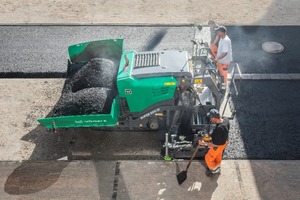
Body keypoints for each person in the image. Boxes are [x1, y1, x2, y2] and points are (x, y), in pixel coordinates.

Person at [198, 108, 229, 176]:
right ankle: (217, 166)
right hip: (225, 142)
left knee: (208, 158)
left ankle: (214, 170)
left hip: (218, 145)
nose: (210, 119)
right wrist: (208, 137)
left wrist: (204, 144)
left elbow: (215, 145)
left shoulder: (219, 129)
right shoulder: (225, 120)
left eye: (211, 118)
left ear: (214, 117)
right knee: (218, 156)